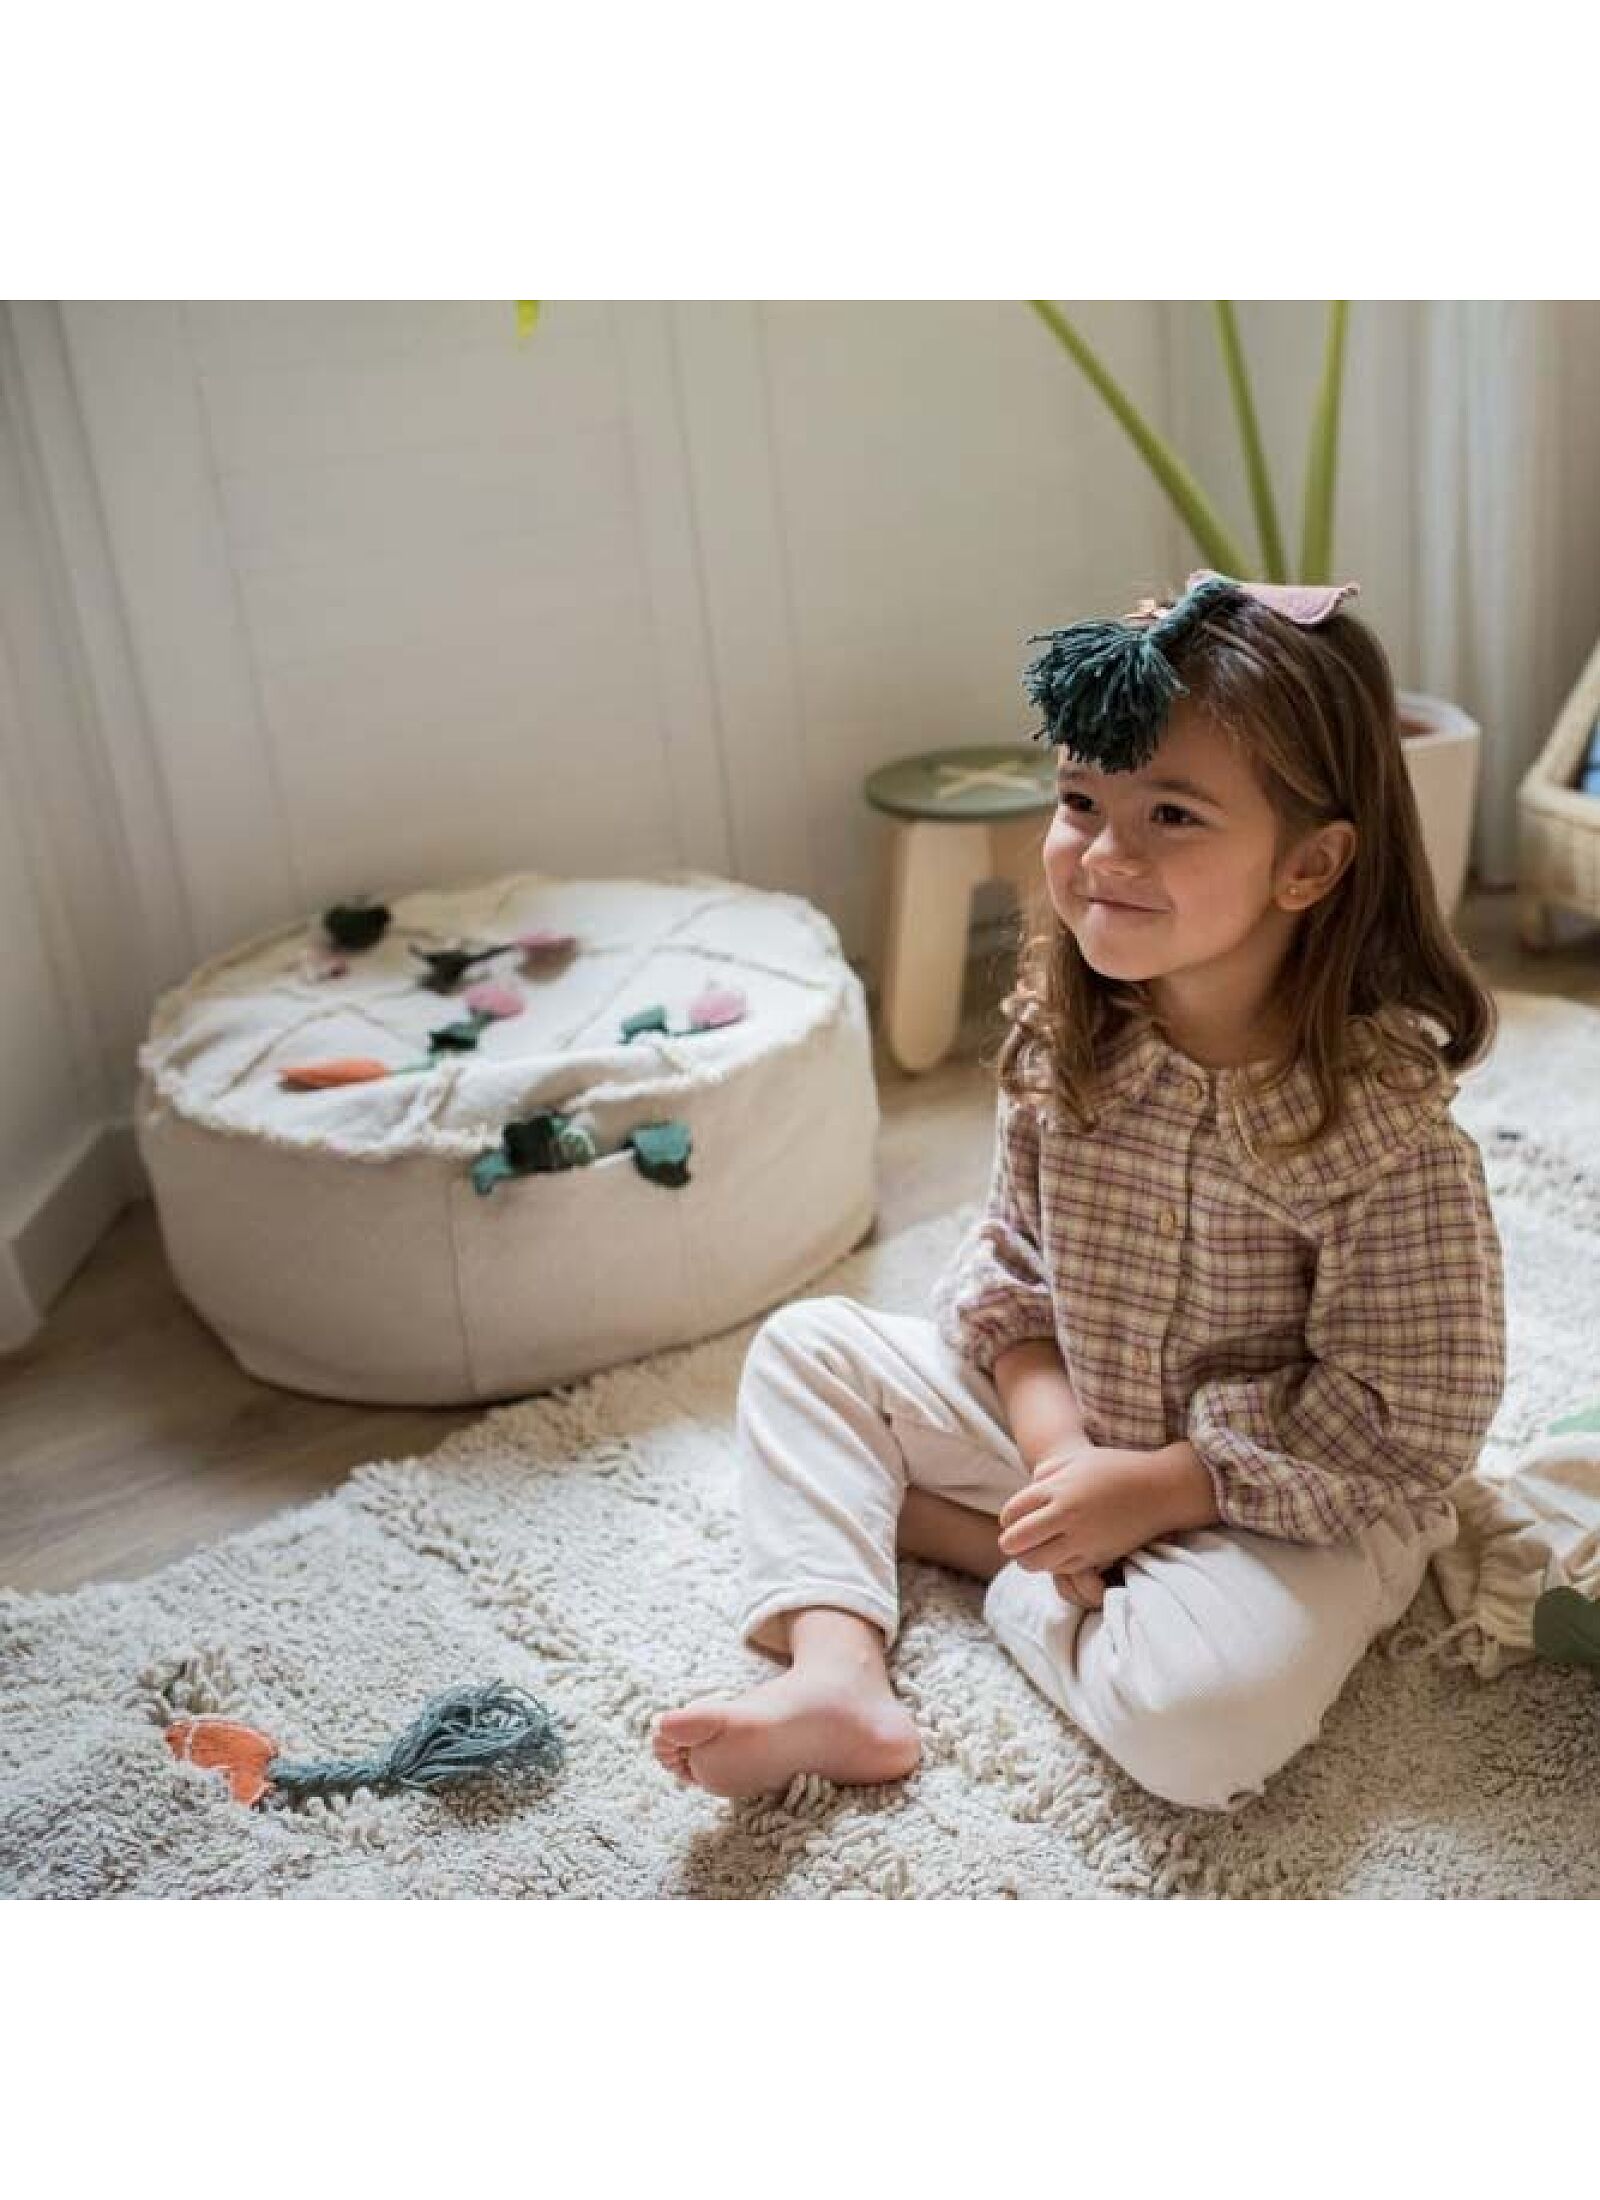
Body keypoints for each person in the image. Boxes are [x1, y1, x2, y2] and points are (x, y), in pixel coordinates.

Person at [651, 570, 1508, 1813]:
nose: (1105, 853)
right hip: (1080, 1417)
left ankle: (968, 1539)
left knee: (1203, 1726)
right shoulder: (1064, 1041)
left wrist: (1164, 1490)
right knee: (806, 1351)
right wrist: (1058, 1450)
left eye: (1171, 814)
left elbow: (1410, 1413)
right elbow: (1010, 1265)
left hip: (1284, 1499)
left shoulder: (1381, 1136)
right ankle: (837, 1672)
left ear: (1310, 864)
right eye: (1079, 800)